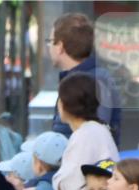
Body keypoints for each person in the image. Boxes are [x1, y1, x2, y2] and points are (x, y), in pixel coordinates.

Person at [47, 13, 120, 145]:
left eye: (50, 42)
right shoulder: (81, 79)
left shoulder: (96, 81)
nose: (49, 47)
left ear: (60, 47)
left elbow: (95, 137)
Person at [46, 72, 120, 190]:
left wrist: (56, 184)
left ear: (64, 104)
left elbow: (71, 188)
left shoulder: (86, 135)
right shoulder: (94, 129)